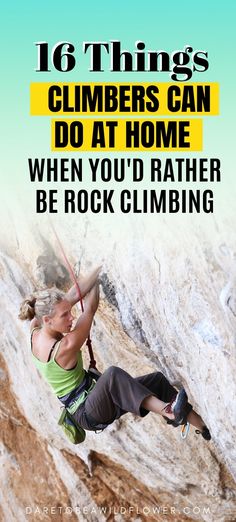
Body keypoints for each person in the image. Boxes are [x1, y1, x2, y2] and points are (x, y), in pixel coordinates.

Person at [19, 267, 211, 440]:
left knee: (158, 381)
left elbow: (72, 295)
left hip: (94, 398)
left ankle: (203, 427)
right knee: (112, 376)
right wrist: (97, 279)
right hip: (87, 412)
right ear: (48, 320)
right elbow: (90, 310)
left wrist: (98, 267)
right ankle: (170, 412)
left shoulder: (36, 329)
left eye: (69, 312)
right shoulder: (64, 347)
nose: (71, 317)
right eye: (65, 316)